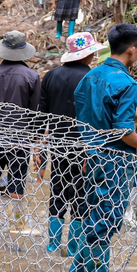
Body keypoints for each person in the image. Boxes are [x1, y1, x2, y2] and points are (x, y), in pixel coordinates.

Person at [72, 23, 137, 272]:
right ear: (132, 50)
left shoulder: (90, 76)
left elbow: (85, 114)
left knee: (91, 208)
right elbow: (123, 131)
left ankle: (80, 266)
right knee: (108, 214)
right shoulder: (126, 83)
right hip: (115, 159)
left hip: (91, 154)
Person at [38, 31, 103, 255]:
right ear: (90, 53)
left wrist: (39, 146)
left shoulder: (51, 76)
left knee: (57, 190)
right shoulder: (93, 78)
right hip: (83, 146)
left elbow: (42, 115)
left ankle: (53, 243)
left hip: (56, 144)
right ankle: (74, 247)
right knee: (79, 194)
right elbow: (97, 116)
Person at [0, 30, 40, 226]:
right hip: (20, 139)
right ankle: (17, 222)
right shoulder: (32, 77)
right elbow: (35, 112)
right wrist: (34, 138)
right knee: (17, 178)